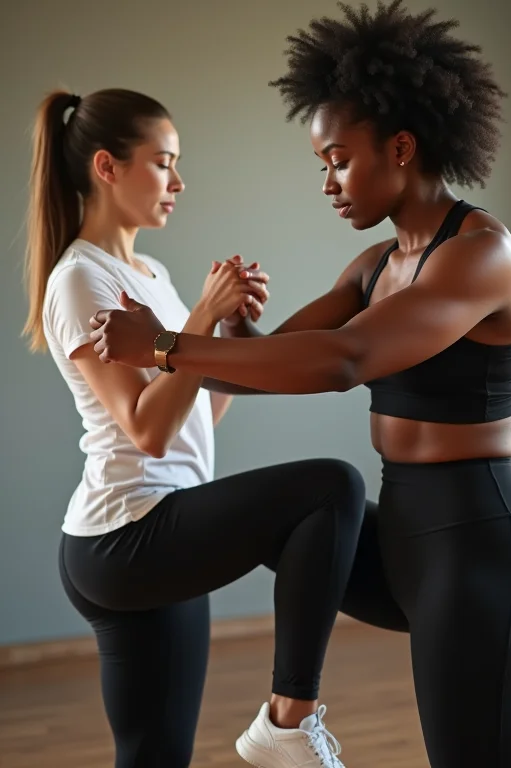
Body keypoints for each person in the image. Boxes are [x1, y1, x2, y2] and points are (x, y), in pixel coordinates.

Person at [89, 2, 511, 766]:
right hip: (406, 538)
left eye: (338, 159)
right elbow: (278, 364)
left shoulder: (481, 255)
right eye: (323, 166)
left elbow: (344, 360)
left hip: (482, 548)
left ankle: (286, 722)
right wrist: (234, 330)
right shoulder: (376, 265)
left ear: (402, 147)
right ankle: (287, 723)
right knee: (303, 511)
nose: (329, 182)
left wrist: (167, 345)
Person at [23, 87, 367, 768]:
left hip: (160, 524)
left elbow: (195, 415)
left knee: (156, 754)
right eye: (163, 163)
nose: (178, 182)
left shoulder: (147, 272)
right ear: (107, 167)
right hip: (126, 534)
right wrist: (200, 323)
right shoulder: (79, 281)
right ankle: (287, 723)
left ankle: (283, 725)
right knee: (331, 489)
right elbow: (145, 431)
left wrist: (230, 330)